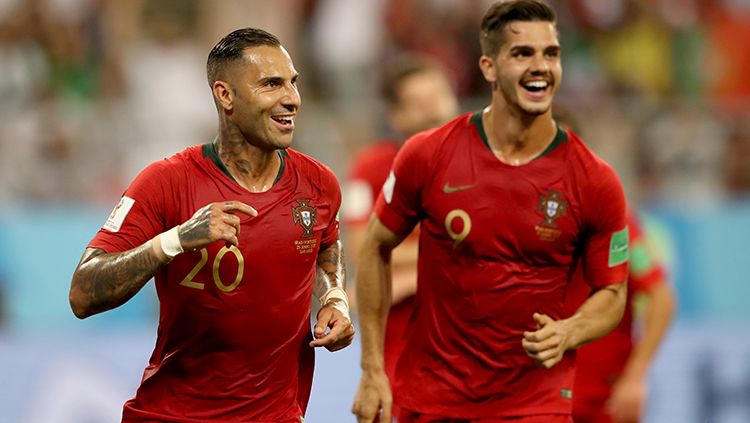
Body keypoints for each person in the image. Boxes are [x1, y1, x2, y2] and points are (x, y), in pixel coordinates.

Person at [351, 1, 629, 422]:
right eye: (523, 53)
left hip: (535, 404)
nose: (541, 66)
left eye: (550, 53)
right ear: (488, 67)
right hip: (432, 398)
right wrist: (372, 368)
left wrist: (570, 329)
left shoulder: (594, 179)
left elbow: (613, 292)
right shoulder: (429, 154)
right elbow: (372, 247)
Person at [68, 28, 355, 423]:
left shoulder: (319, 184)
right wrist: (175, 240)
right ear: (225, 95)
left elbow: (326, 245)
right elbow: (83, 293)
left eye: (292, 82)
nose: (291, 98)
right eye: (271, 84)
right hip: (172, 415)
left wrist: (334, 299)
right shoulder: (167, 182)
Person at [342, 54, 459, 415]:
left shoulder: (484, 163)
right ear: (396, 116)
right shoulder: (369, 168)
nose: (434, 111)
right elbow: (362, 250)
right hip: (400, 333)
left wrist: (401, 258)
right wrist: (449, 245)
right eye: (420, 104)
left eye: (440, 97)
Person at [566, 212, 676, 423]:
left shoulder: (615, 221)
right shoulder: (533, 217)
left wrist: (634, 378)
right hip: (545, 396)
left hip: (604, 401)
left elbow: (662, 299)